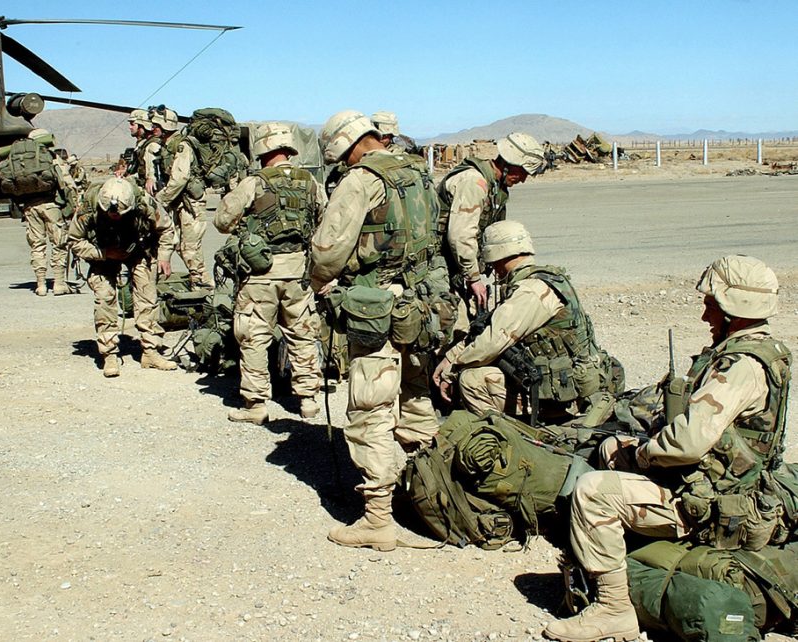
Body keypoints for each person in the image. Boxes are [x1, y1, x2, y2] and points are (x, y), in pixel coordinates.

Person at [543, 255, 792, 642]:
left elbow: (688, 443)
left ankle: (613, 608)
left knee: (592, 493)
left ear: (734, 311)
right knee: (611, 447)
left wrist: (645, 453)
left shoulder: (738, 366)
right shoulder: (767, 352)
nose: (706, 315)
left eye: (712, 305)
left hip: (709, 504)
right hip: (727, 485)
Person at [311, 110, 444, 551]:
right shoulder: (418, 170)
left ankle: (378, 520)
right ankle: (433, 495)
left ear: (343, 145)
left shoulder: (360, 180)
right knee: (417, 399)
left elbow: (328, 252)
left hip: (376, 309)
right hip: (421, 305)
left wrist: (320, 282)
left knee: (371, 407)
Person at [432, 220, 621, 423]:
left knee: (472, 380)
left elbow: (492, 342)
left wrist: (454, 369)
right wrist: (451, 357)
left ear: (497, 256)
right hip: (562, 378)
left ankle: (510, 439)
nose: (492, 269)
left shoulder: (531, 290)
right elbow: (486, 329)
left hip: (566, 390)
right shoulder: (537, 280)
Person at [214, 122, 326, 424]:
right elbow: (325, 221)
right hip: (299, 272)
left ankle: (256, 405)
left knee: (254, 337)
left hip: (261, 274)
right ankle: (308, 400)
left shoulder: (253, 183)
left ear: (262, 148)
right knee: (302, 334)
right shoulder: (310, 182)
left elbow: (223, 222)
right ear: (289, 148)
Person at [67, 177, 178, 377]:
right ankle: (109, 353)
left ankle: (151, 351)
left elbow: (167, 229)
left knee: (147, 296)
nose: (115, 217)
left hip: (138, 249)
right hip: (102, 252)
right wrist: (104, 254)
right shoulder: (89, 207)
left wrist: (164, 256)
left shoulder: (144, 203)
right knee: (104, 297)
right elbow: (74, 240)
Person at [437, 132, 545, 319]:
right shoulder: (474, 182)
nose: (523, 179)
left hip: (458, 265)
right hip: (442, 264)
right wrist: (474, 278)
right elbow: (460, 236)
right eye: (523, 172)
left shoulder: (495, 187)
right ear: (509, 164)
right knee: (453, 325)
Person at [15, 128, 80, 296]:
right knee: (59, 243)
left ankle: (41, 285)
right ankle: (59, 284)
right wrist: (74, 206)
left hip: (30, 207)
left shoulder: (22, 162)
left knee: (37, 246)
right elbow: (68, 183)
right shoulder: (51, 158)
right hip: (51, 206)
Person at [155, 108, 212, 287]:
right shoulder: (168, 146)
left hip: (191, 204)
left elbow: (180, 177)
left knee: (190, 248)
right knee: (181, 245)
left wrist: (161, 198)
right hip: (180, 204)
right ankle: (199, 283)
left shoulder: (182, 145)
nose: (153, 128)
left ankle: (204, 286)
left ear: (165, 126)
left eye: (156, 125)